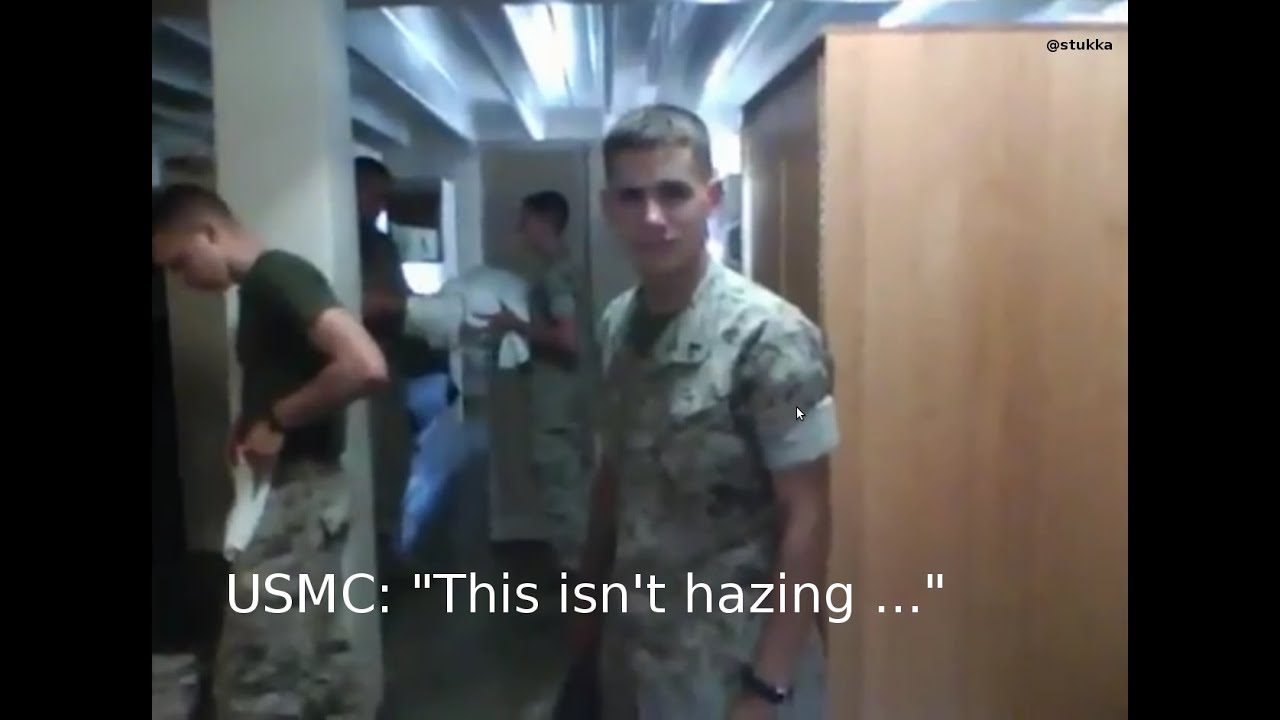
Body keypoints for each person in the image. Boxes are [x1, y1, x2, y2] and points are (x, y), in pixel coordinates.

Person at [574, 104, 839, 720]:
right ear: (609, 208)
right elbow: (614, 475)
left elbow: (809, 515)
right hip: (637, 653)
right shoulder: (618, 325)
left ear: (711, 199)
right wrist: (586, 608)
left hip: (735, 666)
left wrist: (767, 688)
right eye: (632, 197)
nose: (653, 217)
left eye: (673, 193)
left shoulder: (775, 341)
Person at [152, 183, 388, 719]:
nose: (182, 279)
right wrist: (251, 421)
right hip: (299, 492)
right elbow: (294, 372)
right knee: (319, 661)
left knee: (255, 673)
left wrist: (279, 418)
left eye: (180, 262)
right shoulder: (260, 289)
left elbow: (365, 365)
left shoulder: (277, 276)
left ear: (207, 233)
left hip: (298, 497)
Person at [476, 190, 590, 585]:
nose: (520, 229)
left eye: (525, 220)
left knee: (561, 483)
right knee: (571, 480)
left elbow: (567, 340)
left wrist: (514, 325)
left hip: (558, 396)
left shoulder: (557, 275)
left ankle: (580, 575)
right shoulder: (568, 268)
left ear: (544, 222)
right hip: (569, 392)